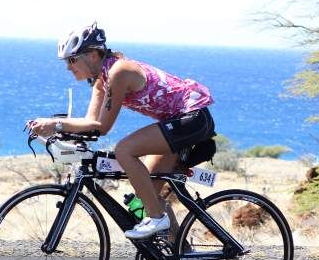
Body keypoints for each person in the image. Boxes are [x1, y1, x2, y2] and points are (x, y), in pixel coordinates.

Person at [27, 22, 215, 239]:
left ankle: (157, 219)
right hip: (177, 121)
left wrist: (55, 125)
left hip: (192, 118)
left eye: (72, 60)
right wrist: (55, 128)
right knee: (148, 194)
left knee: (125, 150)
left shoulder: (119, 71)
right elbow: (90, 123)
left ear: (93, 55)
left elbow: (102, 127)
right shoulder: (101, 81)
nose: (68, 67)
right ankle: (179, 256)